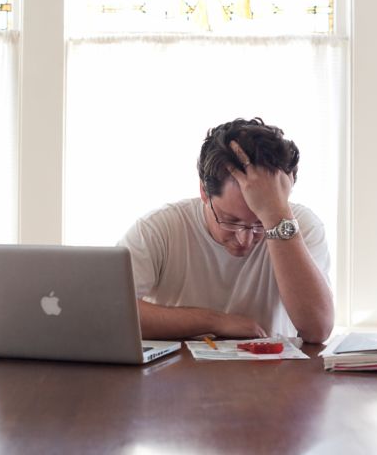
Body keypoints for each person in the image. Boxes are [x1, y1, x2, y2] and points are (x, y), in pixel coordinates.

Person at [118, 118, 334, 344]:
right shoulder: (159, 228)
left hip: (270, 376)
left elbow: (318, 329)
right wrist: (214, 321)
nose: (245, 239)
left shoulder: (300, 226)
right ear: (204, 192)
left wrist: (275, 218)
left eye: (259, 223)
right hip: (177, 375)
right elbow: (112, 313)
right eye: (230, 221)